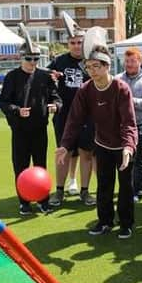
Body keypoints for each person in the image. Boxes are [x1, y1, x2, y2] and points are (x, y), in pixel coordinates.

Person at [56, 32, 137, 239]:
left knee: (126, 187)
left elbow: (128, 122)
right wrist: (65, 145)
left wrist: (128, 147)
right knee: (104, 185)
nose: (92, 71)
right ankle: (105, 221)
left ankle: (126, 224)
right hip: (102, 144)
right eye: (88, 67)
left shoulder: (121, 88)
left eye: (97, 66)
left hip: (123, 147)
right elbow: (74, 120)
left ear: (107, 66)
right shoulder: (85, 90)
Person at [0, 31, 62, 215]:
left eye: (36, 58)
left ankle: (43, 201)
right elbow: (3, 102)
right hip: (19, 131)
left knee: (40, 166)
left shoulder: (45, 76)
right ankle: (24, 202)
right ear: (21, 57)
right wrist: (17, 111)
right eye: (29, 58)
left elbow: (57, 98)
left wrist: (55, 106)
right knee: (20, 166)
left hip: (40, 129)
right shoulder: (11, 77)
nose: (33, 62)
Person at [48, 19, 96, 207]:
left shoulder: (92, 60)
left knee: (86, 153)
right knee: (63, 153)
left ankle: (85, 191)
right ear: (68, 44)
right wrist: (51, 80)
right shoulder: (59, 61)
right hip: (63, 116)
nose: (76, 46)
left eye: (80, 42)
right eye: (73, 42)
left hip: (87, 117)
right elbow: (47, 85)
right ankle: (59, 191)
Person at [115, 47, 142, 202]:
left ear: (139, 61)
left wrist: (127, 99)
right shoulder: (118, 78)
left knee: (138, 160)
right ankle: (125, 189)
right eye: (127, 61)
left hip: (141, 125)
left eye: (132, 61)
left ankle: (138, 192)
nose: (129, 64)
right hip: (122, 126)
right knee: (124, 159)